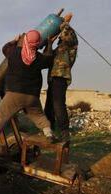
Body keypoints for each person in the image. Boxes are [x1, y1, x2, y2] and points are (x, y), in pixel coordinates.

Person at [0, 30, 56, 149]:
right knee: (38, 115)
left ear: (26, 40)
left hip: (14, 93)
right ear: (37, 43)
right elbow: (49, 59)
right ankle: (48, 133)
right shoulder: (39, 58)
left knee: (1, 116)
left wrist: (15, 40)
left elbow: (5, 48)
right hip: (31, 96)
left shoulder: (13, 53)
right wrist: (49, 44)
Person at [44, 13, 78, 142]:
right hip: (52, 78)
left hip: (61, 77)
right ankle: (49, 132)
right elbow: (47, 57)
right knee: (49, 106)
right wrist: (49, 43)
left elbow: (66, 33)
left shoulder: (71, 42)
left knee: (58, 105)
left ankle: (64, 134)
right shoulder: (58, 48)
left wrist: (64, 22)